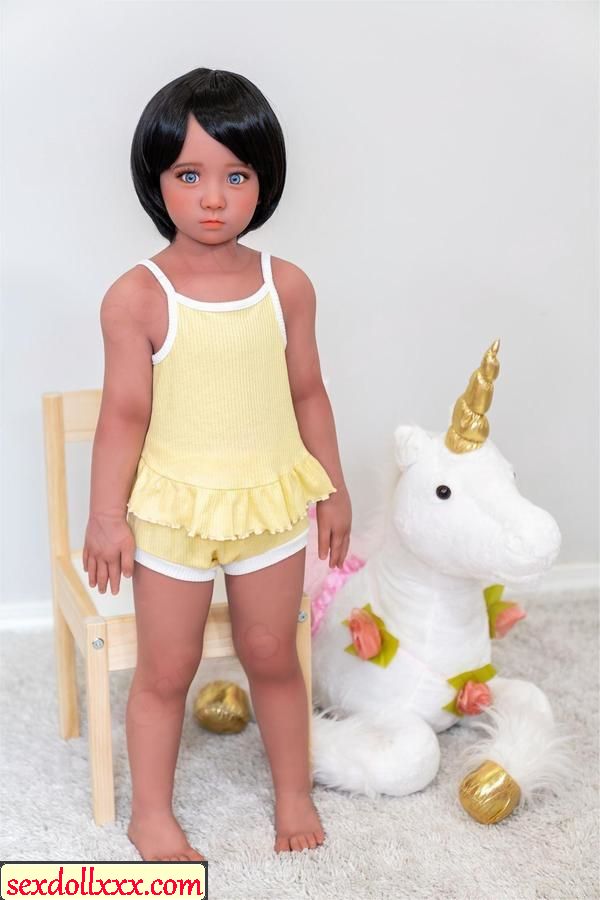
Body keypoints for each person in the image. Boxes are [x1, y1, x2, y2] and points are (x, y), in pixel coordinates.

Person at [83, 67, 352, 862]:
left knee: (272, 652)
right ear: (155, 178)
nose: (212, 198)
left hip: (266, 503)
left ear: (264, 181)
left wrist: (333, 490)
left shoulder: (285, 286)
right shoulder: (137, 296)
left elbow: (308, 393)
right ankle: (151, 814)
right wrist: (106, 516)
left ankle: (293, 790)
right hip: (173, 513)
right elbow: (123, 415)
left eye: (235, 176)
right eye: (188, 175)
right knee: (168, 668)